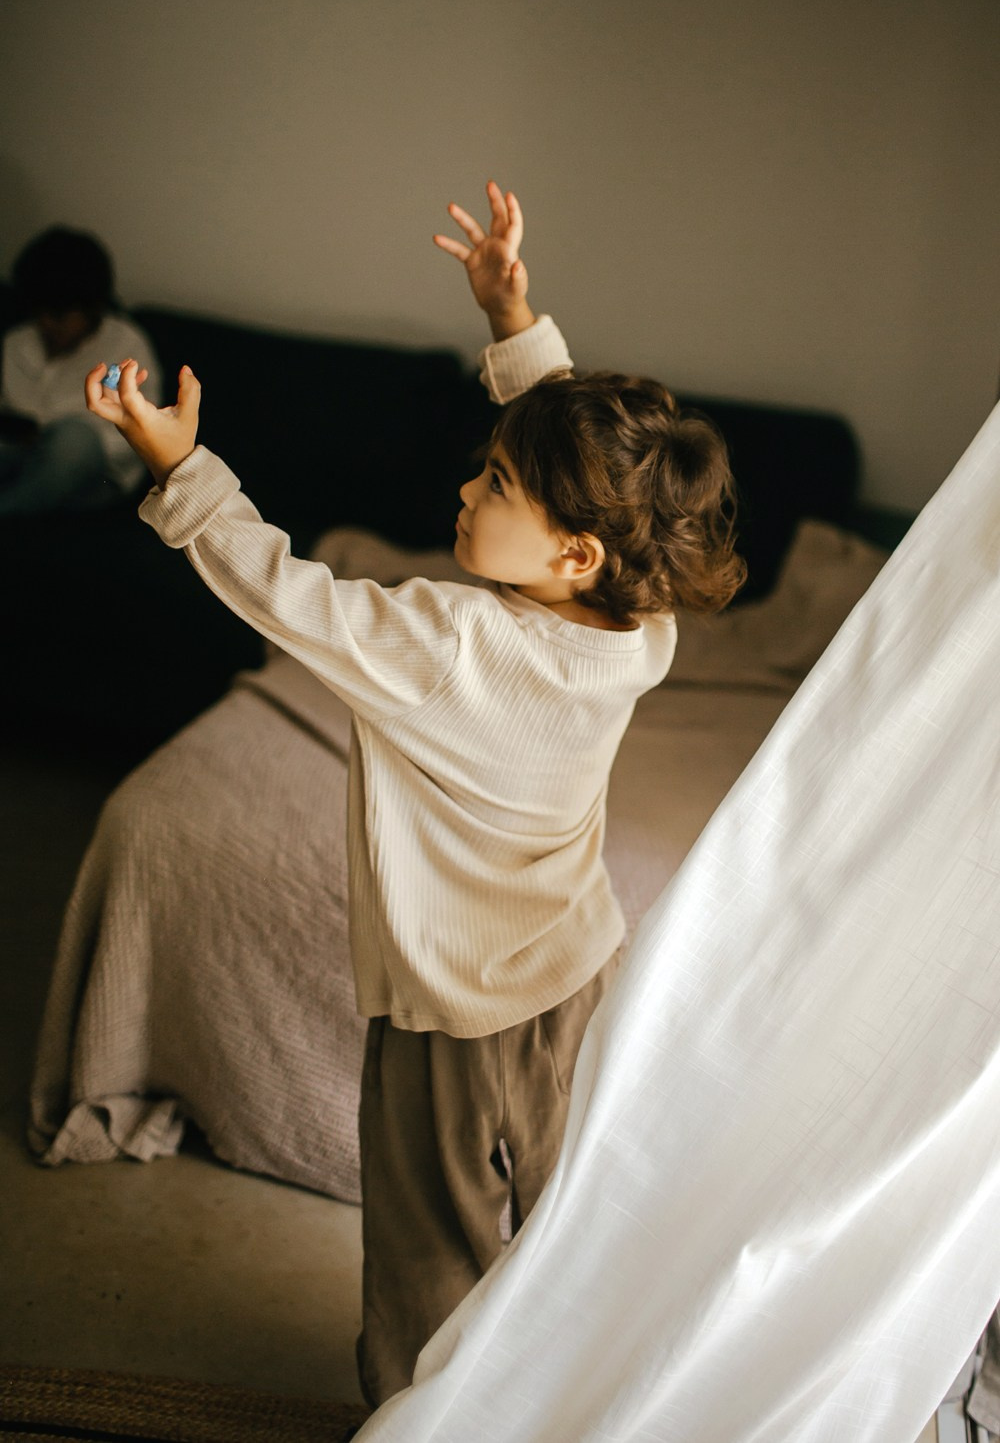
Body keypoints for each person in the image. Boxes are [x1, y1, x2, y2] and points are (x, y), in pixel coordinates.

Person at [84, 181, 746, 1409]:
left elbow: (286, 594)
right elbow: (585, 474)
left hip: (452, 1015)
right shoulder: (642, 632)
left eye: (495, 485)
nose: (466, 491)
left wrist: (183, 468)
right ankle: (571, 1399)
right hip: (578, 980)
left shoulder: (443, 641)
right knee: (565, 1227)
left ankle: (419, 1416)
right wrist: (515, 325)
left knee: (428, 1255)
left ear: (573, 553)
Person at [0, 226, 161, 514]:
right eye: (40, 311)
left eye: (59, 315)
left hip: (94, 471)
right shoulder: (18, 341)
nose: (47, 323)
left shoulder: (125, 344)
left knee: (73, 441)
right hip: (21, 455)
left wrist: (52, 440)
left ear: (92, 307)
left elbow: (141, 431)